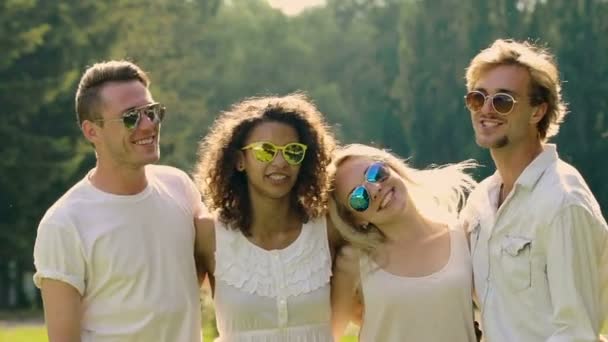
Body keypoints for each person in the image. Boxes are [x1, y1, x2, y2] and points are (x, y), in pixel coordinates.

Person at [33, 61, 205, 342]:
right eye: (131, 117)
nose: (149, 125)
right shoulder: (64, 223)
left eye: (152, 112)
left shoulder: (180, 188)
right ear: (92, 132)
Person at [461, 38, 608, 341]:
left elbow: (576, 331)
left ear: (537, 112)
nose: (486, 110)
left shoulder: (563, 202)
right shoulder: (480, 202)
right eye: (478, 98)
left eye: (503, 100)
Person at [193, 93, 340, 341]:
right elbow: (172, 313)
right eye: (265, 151)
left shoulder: (329, 229)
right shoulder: (209, 235)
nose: (280, 161)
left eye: (293, 151)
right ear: (240, 160)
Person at [329, 143, 478, 342]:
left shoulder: (463, 236)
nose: (375, 189)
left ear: (392, 169)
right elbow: (327, 335)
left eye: (375, 173)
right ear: (356, 219)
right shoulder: (353, 260)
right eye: (358, 196)